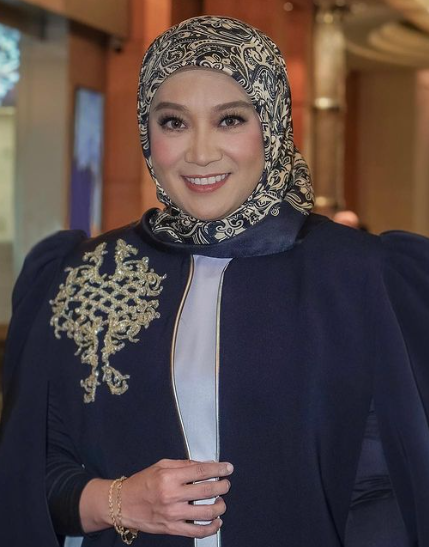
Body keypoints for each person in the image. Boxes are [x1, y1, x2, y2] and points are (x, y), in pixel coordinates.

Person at [0, 15, 429, 547]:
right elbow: (28, 475)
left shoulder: (362, 276)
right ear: (147, 131)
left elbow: (392, 492)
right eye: (173, 122)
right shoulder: (85, 275)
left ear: (272, 125)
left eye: (229, 119)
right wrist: (119, 500)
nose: (201, 153)